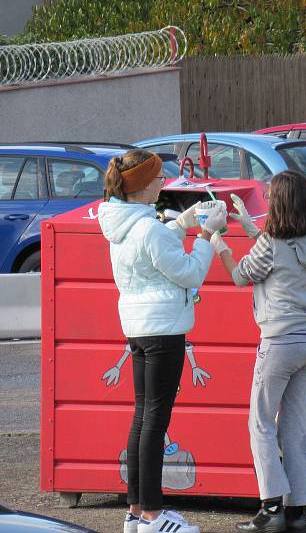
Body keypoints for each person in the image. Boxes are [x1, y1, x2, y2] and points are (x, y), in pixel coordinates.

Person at [98, 149, 227, 533]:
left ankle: (136, 511)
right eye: (157, 178)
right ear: (141, 185)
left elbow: (152, 250)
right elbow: (187, 273)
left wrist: (183, 223)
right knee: (156, 420)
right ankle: (154, 515)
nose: (163, 183)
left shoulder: (121, 222)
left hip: (137, 328)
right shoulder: (148, 227)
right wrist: (205, 233)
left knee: (142, 417)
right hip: (164, 329)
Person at [210, 171, 306, 533]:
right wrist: (249, 226)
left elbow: (243, 275)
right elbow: (277, 255)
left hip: (278, 343)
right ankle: (298, 511)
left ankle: (270, 506)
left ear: (279, 204)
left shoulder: (272, 241)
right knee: (292, 427)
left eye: (270, 196)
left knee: (259, 423)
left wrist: (218, 244)